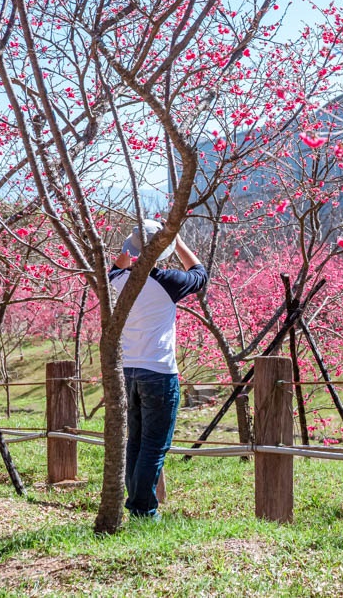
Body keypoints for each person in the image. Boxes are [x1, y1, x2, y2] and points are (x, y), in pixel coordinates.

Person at [110, 219, 208, 520]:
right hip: (160, 373)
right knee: (154, 445)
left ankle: (136, 504)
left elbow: (117, 266)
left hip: (127, 372)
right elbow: (200, 274)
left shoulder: (117, 280)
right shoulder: (169, 282)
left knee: (135, 442)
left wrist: (131, 248)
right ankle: (143, 510)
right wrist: (176, 242)